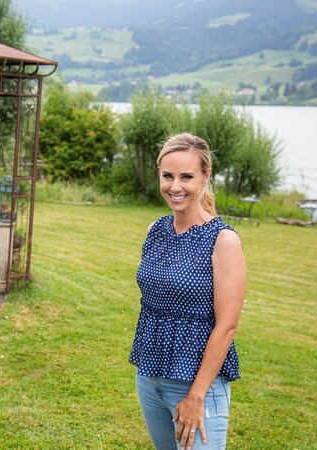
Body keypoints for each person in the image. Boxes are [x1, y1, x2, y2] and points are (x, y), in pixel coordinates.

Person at [129, 133, 246, 450]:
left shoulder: (223, 241)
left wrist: (196, 396)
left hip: (198, 387)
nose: (175, 187)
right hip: (149, 378)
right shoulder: (156, 230)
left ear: (206, 177)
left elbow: (227, 325)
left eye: (186, 177)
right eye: (167, 176)